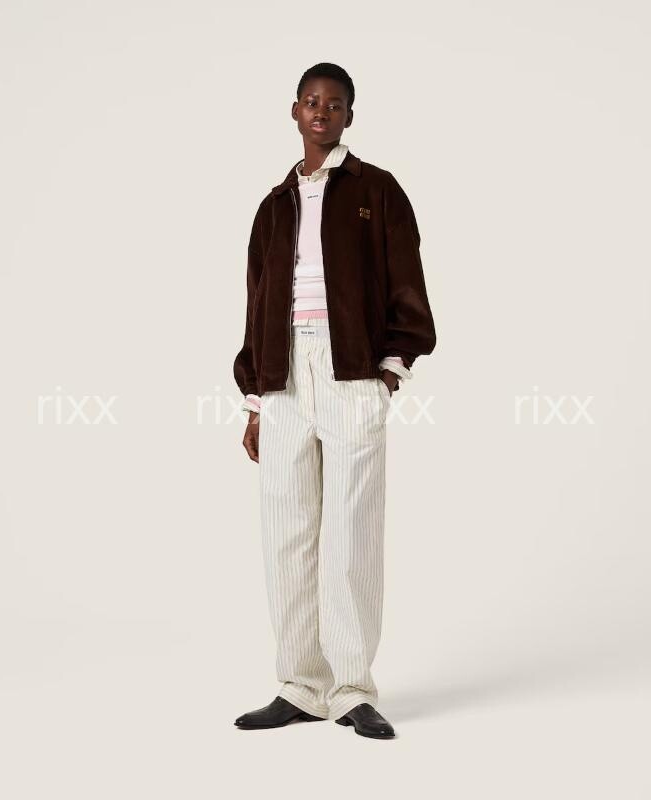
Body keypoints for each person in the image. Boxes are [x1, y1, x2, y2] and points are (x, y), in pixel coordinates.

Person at [233, 62, 436, 740]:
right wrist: (256, 399)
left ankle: (350, 690)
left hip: (351, 371)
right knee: (286, 534)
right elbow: (257, 301)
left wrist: (390, 370)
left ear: (349, 115)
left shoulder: (377, 190)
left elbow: (406, 278)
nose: (322, 111)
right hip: (282, 374)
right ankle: (299, 685)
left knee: (351, 533)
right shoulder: (273, 206)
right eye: (312, 101)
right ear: (294, 111)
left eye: (336, 103)